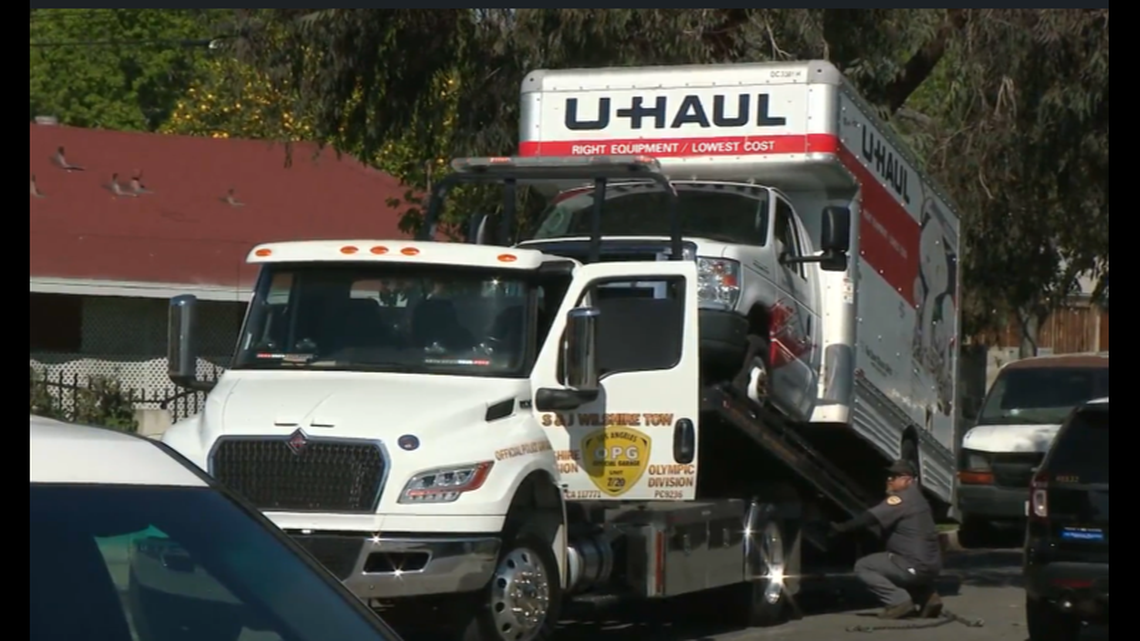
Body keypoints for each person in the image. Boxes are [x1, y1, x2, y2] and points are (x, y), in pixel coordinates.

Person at [829, 460, 944, 620]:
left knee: (864, 566)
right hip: (930, 566)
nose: (889, 480)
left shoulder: (901, 499)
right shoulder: (919, 499)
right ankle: (928, 597)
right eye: (889, 476)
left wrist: (842, 527)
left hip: (913, 565)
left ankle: (899, 602)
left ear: (907, 480)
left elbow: (870, 517)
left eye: (894, 476)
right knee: (894, 563)